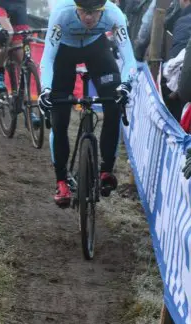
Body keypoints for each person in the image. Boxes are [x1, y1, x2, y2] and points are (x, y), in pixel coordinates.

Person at [38, 0, 138, 207]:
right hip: (64, 53)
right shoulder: (61, 14)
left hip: (96, 49)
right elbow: (47, 59)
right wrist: (46, 89)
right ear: (75, 7)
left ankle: (105, 171)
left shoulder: (114, 14)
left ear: (103, 9)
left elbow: (129, 59)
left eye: (94, 12)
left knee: (114, 105)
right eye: (83, 12)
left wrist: (126, 85)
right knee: (59, 119)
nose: (88, 18)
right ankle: (61, 181)